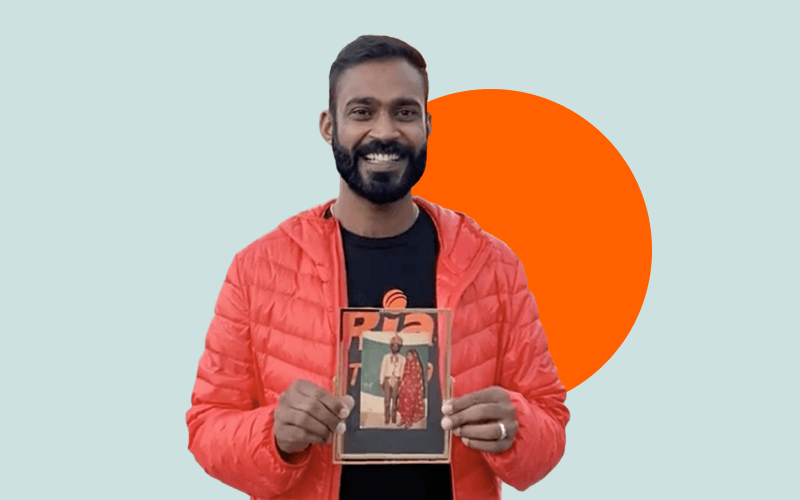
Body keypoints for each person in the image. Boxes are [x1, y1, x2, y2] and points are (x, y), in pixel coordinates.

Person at [186, 35, 570, 500]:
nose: (385, 131)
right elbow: (207, 428)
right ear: (329, 126)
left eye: (405, 112)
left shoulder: (492, 265)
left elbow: (549, 422)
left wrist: (518, 429)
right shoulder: (259, 269)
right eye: (362, 111)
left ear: (428, 124)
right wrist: (273, 434)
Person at [378, 334, 406, 424]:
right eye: (393, 345)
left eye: (397, 346)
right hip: (387, 379)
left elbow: (403, 370)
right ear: (391, 347)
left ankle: (393, 418)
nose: (395, 347)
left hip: (397, 380)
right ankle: (387, 418)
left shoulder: (402, 359)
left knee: (395, 401)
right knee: (387, 401)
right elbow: (383, 368)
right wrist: (381, 381)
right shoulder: (386, 357)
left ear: (399, 347)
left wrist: (401, 381)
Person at [397, 349, 426, 428]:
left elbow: (417, 378)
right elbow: (404, 375)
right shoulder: (407, 364)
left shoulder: (416, 364)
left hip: (412, 389)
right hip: (404, 387)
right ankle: (403, 419)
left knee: (409, 404)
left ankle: (408, 421)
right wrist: (402, 385)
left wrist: (411, 386)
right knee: (402, 403)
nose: (408, 357)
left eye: (410, 355)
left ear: (414, 356)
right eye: (407, 355)